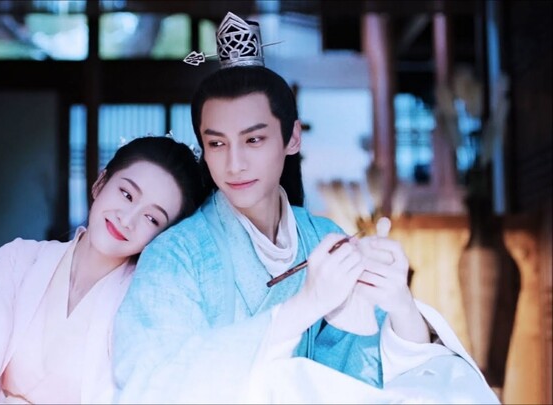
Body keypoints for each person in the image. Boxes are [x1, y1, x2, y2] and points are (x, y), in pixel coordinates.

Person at [112, 12, 499, 404]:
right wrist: (304, 306)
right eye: (217, 143)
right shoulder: (175, 254)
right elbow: (151, 381)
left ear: (292, 138)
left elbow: (364, 379)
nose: (234, 164)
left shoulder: (324, 239)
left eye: (254, 140)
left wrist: (399, 304)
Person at [0, 136, 208, 404]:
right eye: (126, 194)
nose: (127, 220)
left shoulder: (144, 305)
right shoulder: (19, 260)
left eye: (152, 218)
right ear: (100, 183)